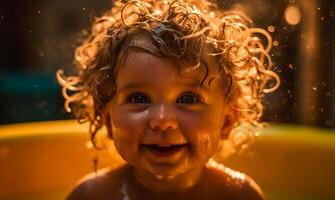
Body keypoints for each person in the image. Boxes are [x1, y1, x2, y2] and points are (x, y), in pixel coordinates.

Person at [57, 0, 280, 199]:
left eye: (187, 98)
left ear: (227, 121)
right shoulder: (94, 196)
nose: (162, 120)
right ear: (108, 121)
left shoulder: (236, 195)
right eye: (139, 97)